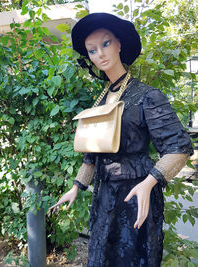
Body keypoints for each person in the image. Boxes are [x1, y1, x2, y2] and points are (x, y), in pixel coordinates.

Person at [50, 13, 193, 267]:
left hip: (134, 196)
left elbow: (179, 147)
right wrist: (76, 186)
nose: (99, 54)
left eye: (105, 44)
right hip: (105, 196)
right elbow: (93, 152)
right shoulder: (101, 99)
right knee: (102, 256)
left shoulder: (147, 96)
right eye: (91, 50)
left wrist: (150, 183)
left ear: (119, 44)